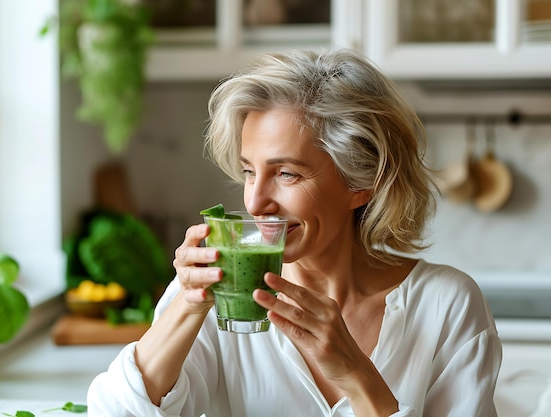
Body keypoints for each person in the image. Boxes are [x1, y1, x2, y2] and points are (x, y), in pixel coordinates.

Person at [87, 49, 502, 417]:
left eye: (286, 173)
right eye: (250, 171)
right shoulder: (219, 295)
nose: (255, 203)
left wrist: (358, 375)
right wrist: (187, 306)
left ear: (362, 183)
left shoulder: (447, 306)